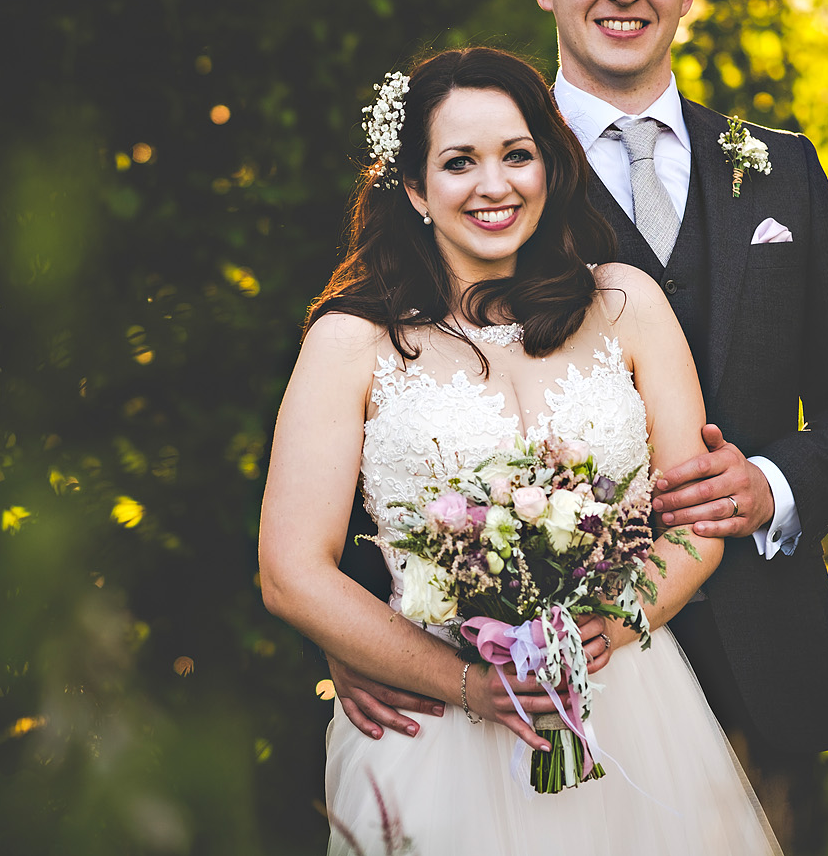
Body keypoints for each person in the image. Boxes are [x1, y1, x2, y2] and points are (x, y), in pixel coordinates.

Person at [325, 0, 828, 853]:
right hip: (503, 681)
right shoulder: (478, 171)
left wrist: (769, 485)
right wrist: (365, 632)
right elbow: (391, 388)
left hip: (765, 674)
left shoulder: (781, 173)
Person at [259, 45, 783, 853]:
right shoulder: (350, 341)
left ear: (550, 167)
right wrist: (473, 686)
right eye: (459, 161)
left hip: (627, 702)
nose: (494, 184)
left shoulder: (627, 304)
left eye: (516, 155)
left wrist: (618, 618)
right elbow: (291, 571)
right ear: (413, 189)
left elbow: (694, 517)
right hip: (429, 723)